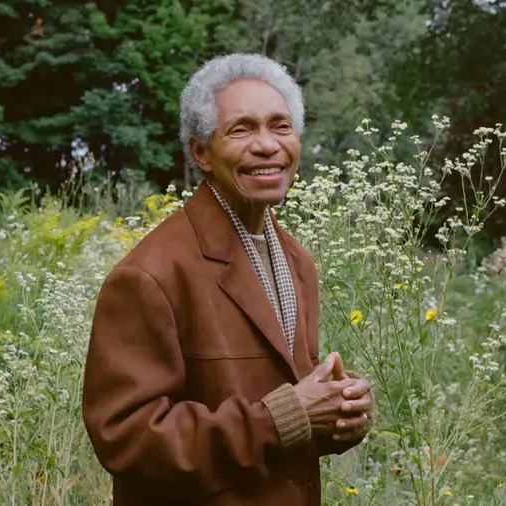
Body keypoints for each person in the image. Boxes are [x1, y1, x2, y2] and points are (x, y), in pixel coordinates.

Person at [82, 53, 374, 505]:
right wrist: (286, 416)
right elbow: (127, 439)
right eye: (242, 129)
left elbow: (287, 401)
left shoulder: (296, 259)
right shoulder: (150, 275)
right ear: (201, 152)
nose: (267, 145)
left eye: (280, 126)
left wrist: (339, 409)